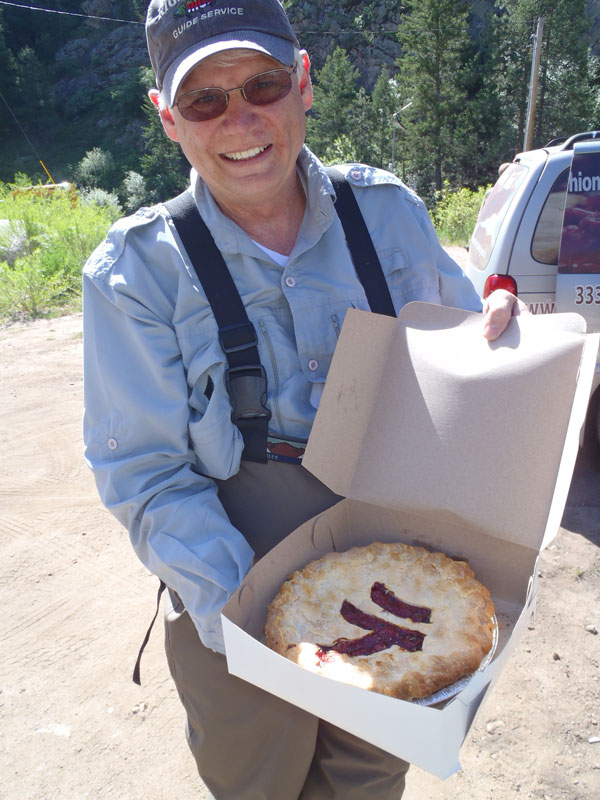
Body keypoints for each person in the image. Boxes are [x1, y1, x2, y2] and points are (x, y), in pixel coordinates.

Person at [82, 1, 525, 798]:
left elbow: (461, 367)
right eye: (204, 100)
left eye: (262, 83)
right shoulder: (135, 272)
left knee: (367, 783)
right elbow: (147, 476)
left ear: (305, 83)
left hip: (396, 585)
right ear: (168, 119)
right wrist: (259, 625)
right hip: (229, 590)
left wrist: (503, 340)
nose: (239, 119)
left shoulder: (387, 213)